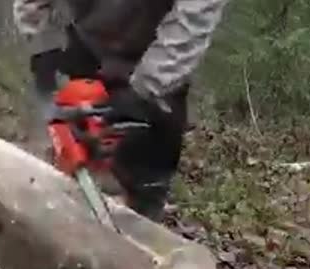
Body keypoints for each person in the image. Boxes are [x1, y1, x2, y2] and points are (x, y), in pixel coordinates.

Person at [13, 0, 229, 223]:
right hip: (89, 40)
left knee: (148, 163)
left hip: (157, 46)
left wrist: (146, 88)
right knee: (81, 133)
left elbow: (193, 19)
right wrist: (42, 44)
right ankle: (65, 212)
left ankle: (143, 217)